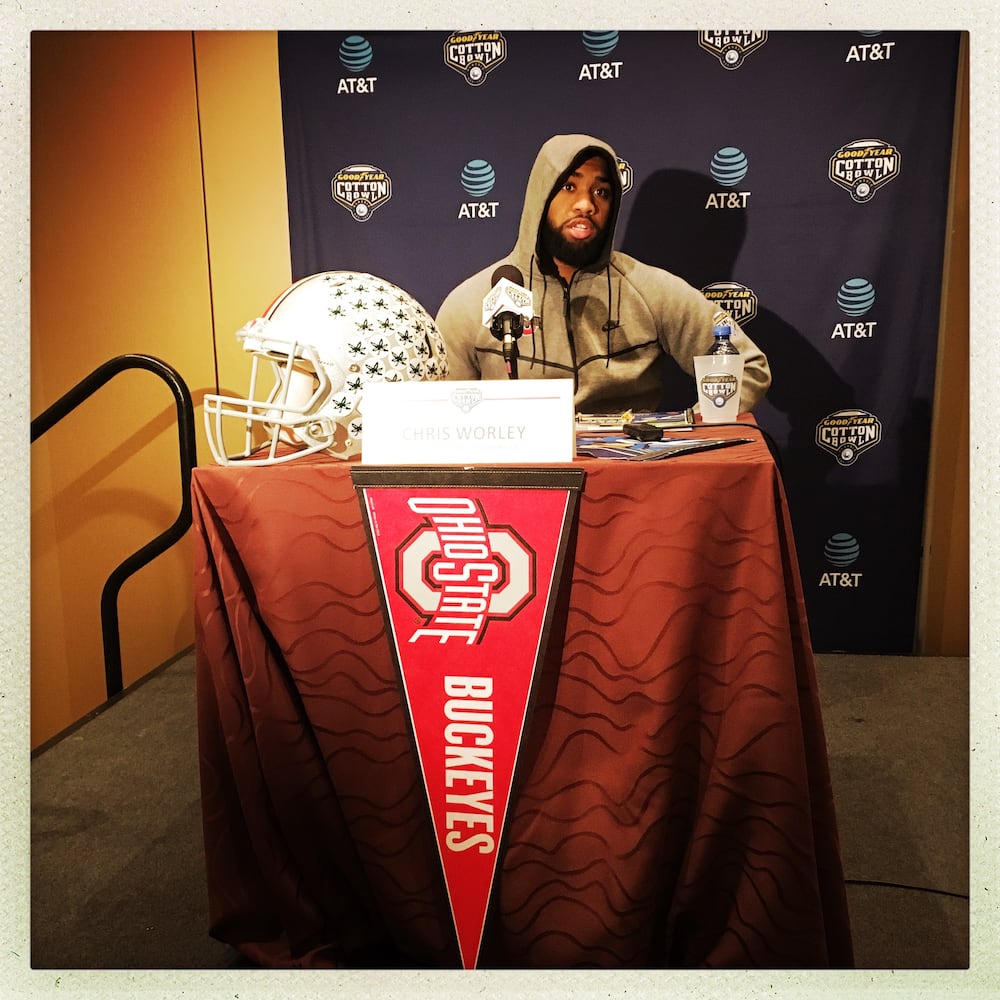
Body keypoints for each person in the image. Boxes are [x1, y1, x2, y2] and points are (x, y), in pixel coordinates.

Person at [435, 133, 771, 414]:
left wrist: (688, 430)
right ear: (541, 196)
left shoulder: (647, 288)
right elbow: (439, 413)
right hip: (523, 480)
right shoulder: (472, 302)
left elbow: (747, 368)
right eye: (569, 187)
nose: (586, 204)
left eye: (601, 192)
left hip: (631, 483)